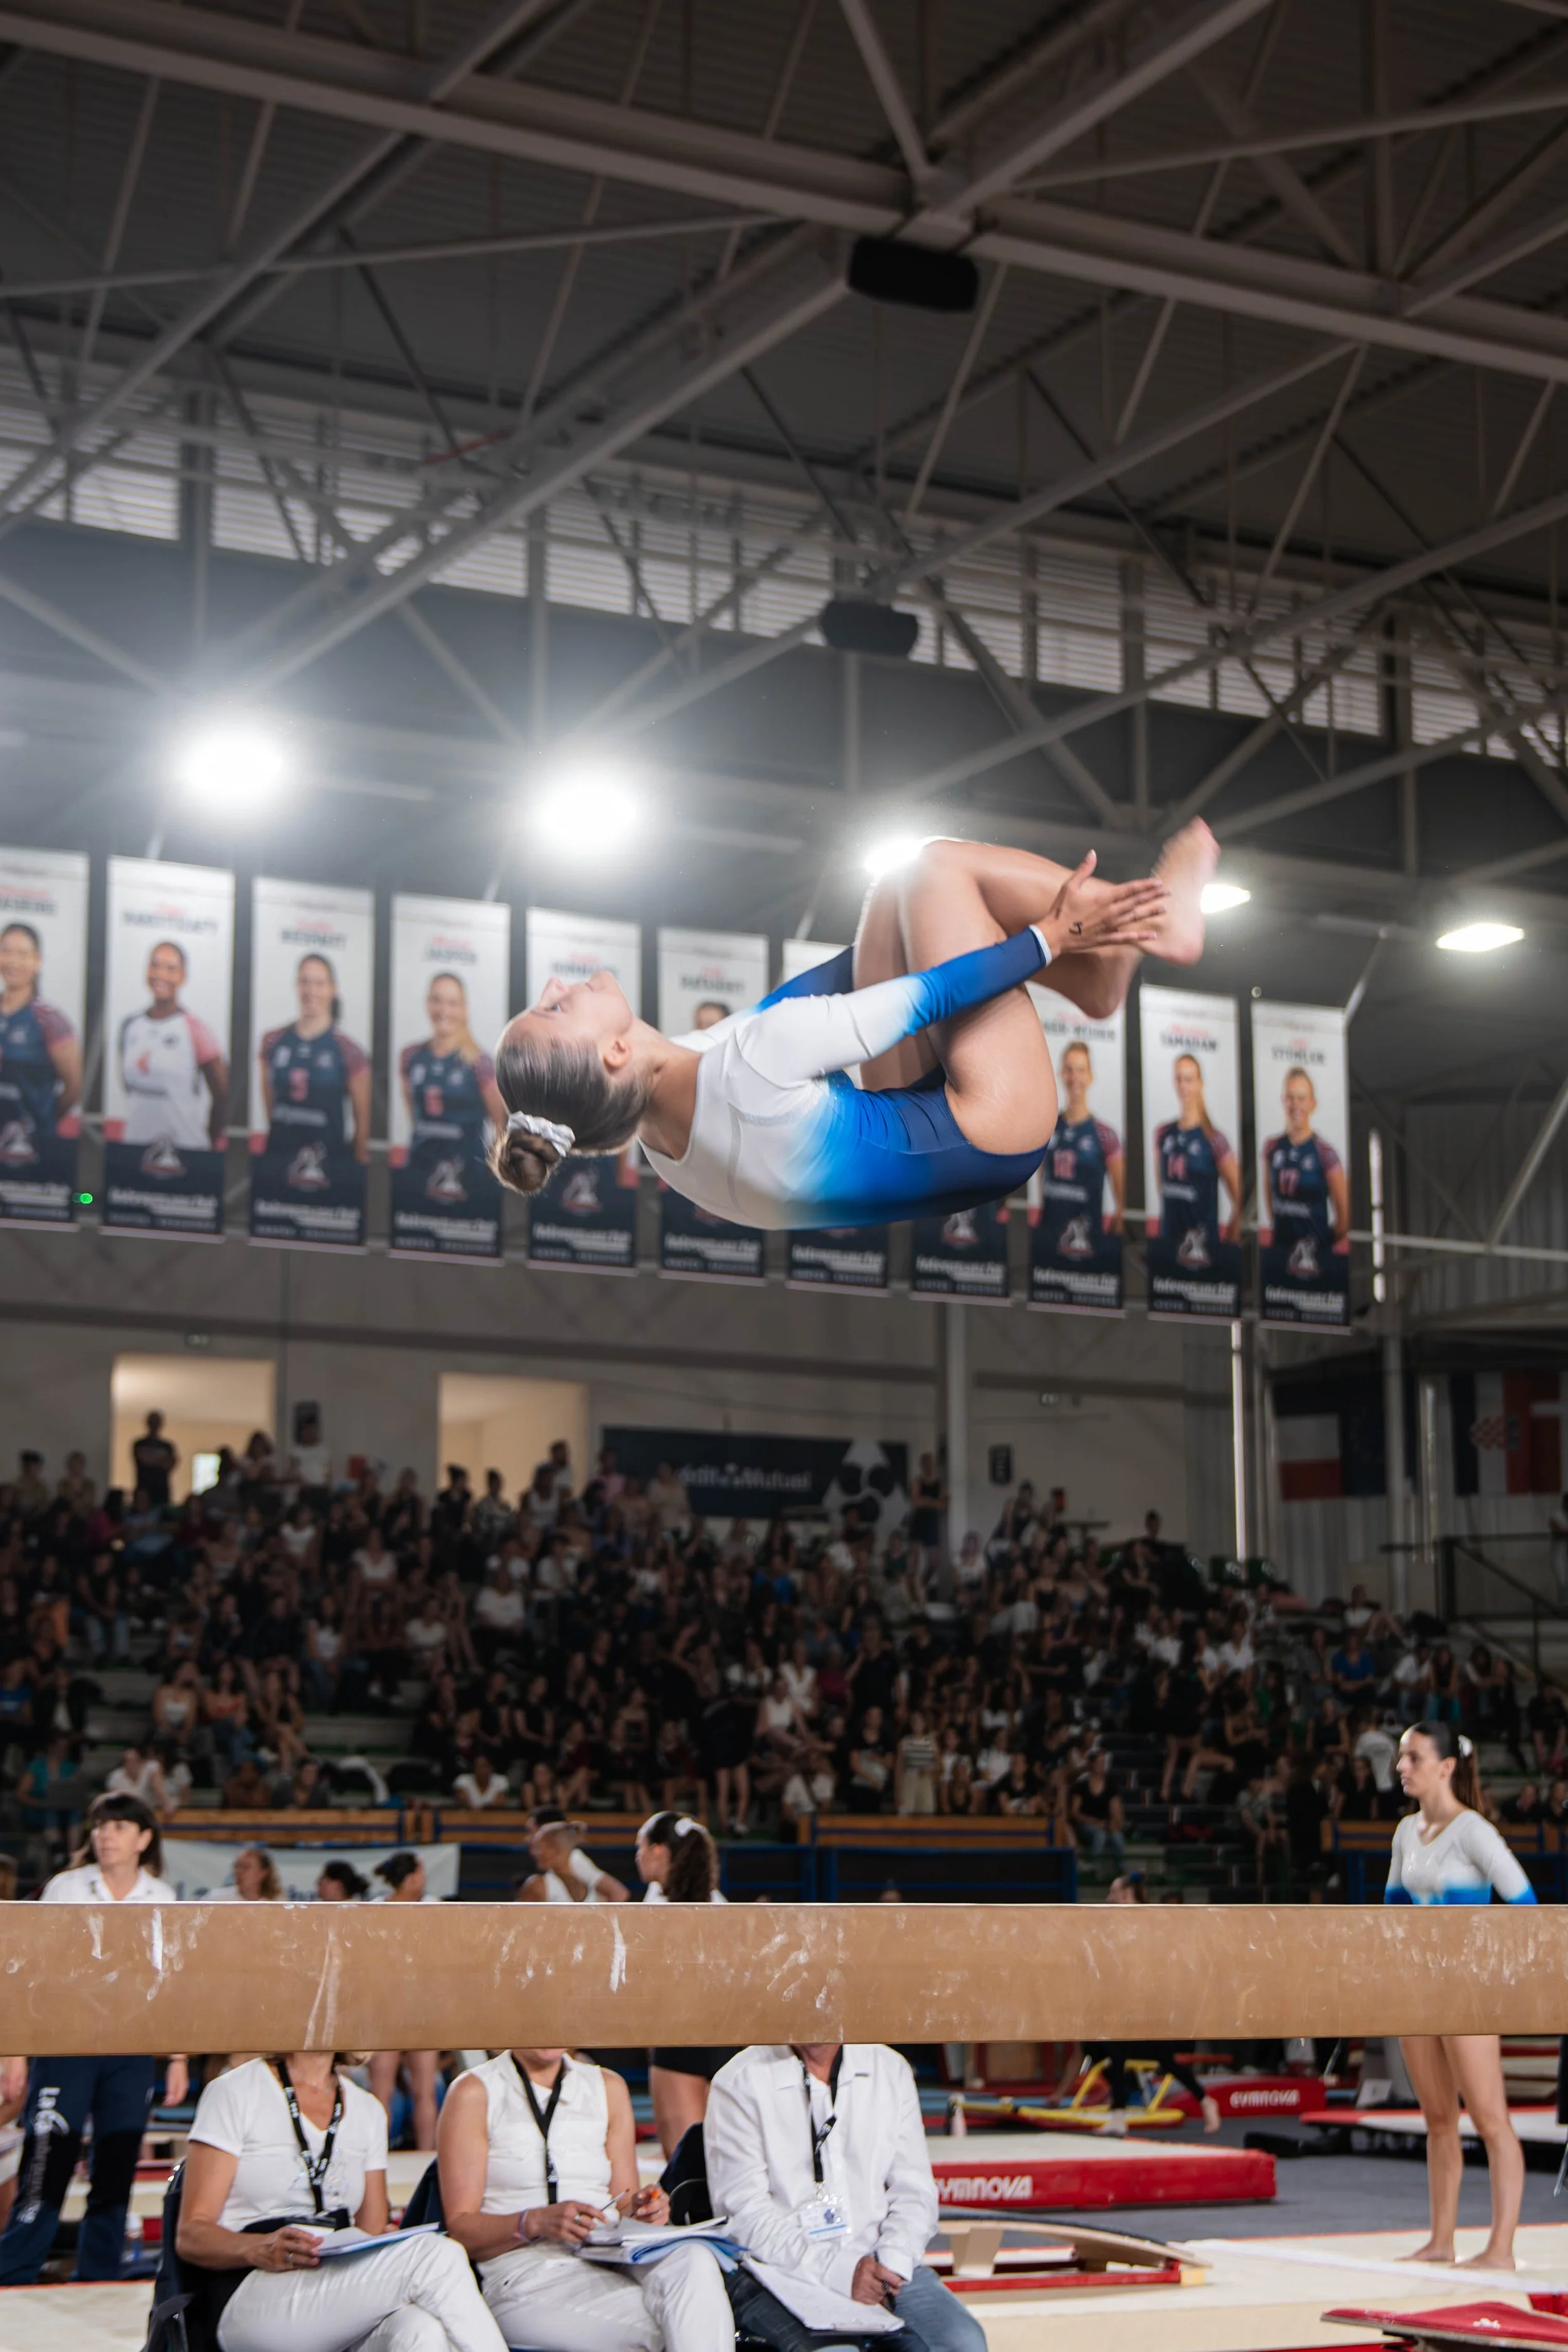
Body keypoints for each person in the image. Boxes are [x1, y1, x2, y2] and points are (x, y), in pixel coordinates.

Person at [488, 830, 1213, 1224]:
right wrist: (1050, 935)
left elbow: (837, 986)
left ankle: (1099, 971)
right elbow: (929, 994)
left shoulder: (666, 1143)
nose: (555, 984)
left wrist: (937, 926)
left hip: (928, 1123)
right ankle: (1139, 921)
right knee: (931, 869)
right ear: (615, 1053)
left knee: (898, 891)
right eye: (554, 1009)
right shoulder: (747, 1068)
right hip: (997, 1126)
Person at [178, 2049, 506, 2352]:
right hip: (249, 2289)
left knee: (419, 2329)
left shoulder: (367, 2109)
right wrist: (257, 2247)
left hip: (332, 2274)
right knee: (437, 2255)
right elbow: (191, 2234)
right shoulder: (235, 2092)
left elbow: (372, 2230)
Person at [0, 1794, 189, 2284]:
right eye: (101, 1826)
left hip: (129, 2048)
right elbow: (30, 1971)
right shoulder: (66, 1888)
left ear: (144, 1839)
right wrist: (16, 2049)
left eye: (120, 1826)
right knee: (46, 2162)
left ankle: (100, 2271)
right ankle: (15, 2267)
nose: (106, 1835)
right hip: (66, 2045)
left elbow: (171, 1984)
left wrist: (178, 2058)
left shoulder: (162, 1898)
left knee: (116, 2165)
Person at [437, 2042, 734, 2352]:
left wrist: (646, 2209)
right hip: (528, 2274)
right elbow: (460, 2228)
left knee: (693, 2260)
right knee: (683, 2324)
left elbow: (625, 2204)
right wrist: (533, 2222)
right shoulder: (475, 2091)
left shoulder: (607, 2086)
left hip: (609, 2255)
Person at [705, 2039, 983, 2352]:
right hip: (787, 2275)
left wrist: (891, 2261)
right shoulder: (739, 2081)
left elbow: (915, 2192)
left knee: (964, 2343)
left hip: (882, 2265)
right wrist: (842, 2272)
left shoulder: (890, 2069)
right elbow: (746, 2217)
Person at [1386, 1719, 1536, 2269]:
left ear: (1447, 1767)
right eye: (1401, 1758)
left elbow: (1525, 1907)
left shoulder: (1474, 1831)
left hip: (1467, 1992)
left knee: (1490, 2118)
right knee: (1439, 2119)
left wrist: (1490, 1968)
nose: (1402, 1767)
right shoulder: (1405, 1833)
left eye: (1414, 1758)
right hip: (1418, 1992)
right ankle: (1441, 2241)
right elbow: (1393, 1917)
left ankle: (1501, 2248)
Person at [1078, 1873, 1221, 2136]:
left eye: (1113, 1893)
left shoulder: (1146, 1919)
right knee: (1098, 2048)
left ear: (1125, 1894)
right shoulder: (1114, 1924)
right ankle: (1125, 2109)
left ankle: (1201, 2100)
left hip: (1152, 2003)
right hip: (1127, 2002)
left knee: (1156, 2058)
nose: (1108, 1898)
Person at [634, 1811, 734, 2160]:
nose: (637, 1856)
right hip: (727, 2043)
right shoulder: (717, 1903)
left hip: (679, 2041)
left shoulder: (658, 1911)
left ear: (660, 1852)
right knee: (727, 2167)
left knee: (685, 2172)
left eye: (641, 1847)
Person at [258, 952, 371, 1209]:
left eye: (319, 984)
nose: (311, 991)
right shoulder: (272, 1041)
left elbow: (363, 1121)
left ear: (332, 989)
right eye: (305, 982)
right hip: (278, 1161)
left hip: (329, 1166)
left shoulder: (349, 1050)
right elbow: (270, 1105)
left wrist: (352, 1168)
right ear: (297, 985)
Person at [396, 972, 506, 1219]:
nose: (443, 1009)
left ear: (464, 1009)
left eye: (452, 1003)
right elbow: (414, 1114)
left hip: (467, 1178)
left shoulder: (481, 1064)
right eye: (436, 1000)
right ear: (427, 1004)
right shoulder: (410, 1057)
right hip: (418, 1173)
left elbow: (502, 1123)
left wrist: (491, 1171)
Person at [118, 937, 228, 1151]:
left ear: (183, 977)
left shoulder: (194, 1028)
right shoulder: (130, 1026)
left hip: (185, 1150)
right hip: (134, 1148)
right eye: (155, 965)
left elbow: (224, 1094)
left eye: (171, 968)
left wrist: (207, 1144)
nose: (161, 974)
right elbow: (128, 1086)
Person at [368, 1853, 441, 2152]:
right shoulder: (375, 1910)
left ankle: (425, 2158)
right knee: (389, 2091)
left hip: (415, 2004)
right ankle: (378, 2160)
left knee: (415, 2091)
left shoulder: (433, 1908)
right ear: (412, 1878)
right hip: (392, 2005)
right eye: (422, 1872)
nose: (425, 1878)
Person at [1260, 1064, 1350, 1306]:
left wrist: (1320, 1243)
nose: (1295, 1105)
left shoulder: (1325, 1153)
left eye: (1301, 1098)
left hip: (1315, 1263)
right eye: (1290, 1098)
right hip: (1280, 1261)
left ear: (1313, 1104)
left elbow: (1345, 1218)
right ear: (1283, 1100)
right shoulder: (1272, 1148)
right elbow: (1272, 1206)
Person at [1032, 1036, 1123, 1271]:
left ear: (1090, 1076)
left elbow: (1122, 1201)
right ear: (1062, 1074)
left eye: (1081, 1070)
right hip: (1049, 1250)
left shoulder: (1106, 1135)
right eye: (1069, 1070)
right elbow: (1042, 1185)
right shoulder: (1046, 1127)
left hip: (1089, 1249)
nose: (1075, 1078)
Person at [0, 919, 80, 1180]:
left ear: (37, 961)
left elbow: (74, 1086)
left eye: (22, 954)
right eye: (7, 951)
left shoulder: (50, 1020)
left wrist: (43, 1120)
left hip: (32, 1151)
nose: (13, 961)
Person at [1152, 1051, 1241, 1276]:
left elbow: (1242, 1198)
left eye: (1189, 1079)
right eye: (1179, 1079)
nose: (1183, 1086)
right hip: (1167, 1250)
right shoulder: (1163, 1134)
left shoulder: (1214, 1139)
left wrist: (1227, 1243)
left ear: (1200, 1083)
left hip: (1202, 1254)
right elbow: (1163, 1191)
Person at [513, 1808, 629, 1904]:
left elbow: (618, 1893)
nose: (527, 1839)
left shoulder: (575, 1859)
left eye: (530, 1831)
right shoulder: (548, 1878)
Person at [132, 1409, 179, 1509]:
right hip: (143, 1492)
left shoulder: (167, 1446)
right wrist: (161, 1460)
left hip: (162, 1491)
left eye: (157, 1422)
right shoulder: (139, 1444)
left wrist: (151, 1459)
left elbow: (171, 1464)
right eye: (152, 1422)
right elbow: (143, 1458)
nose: (154, 1425)